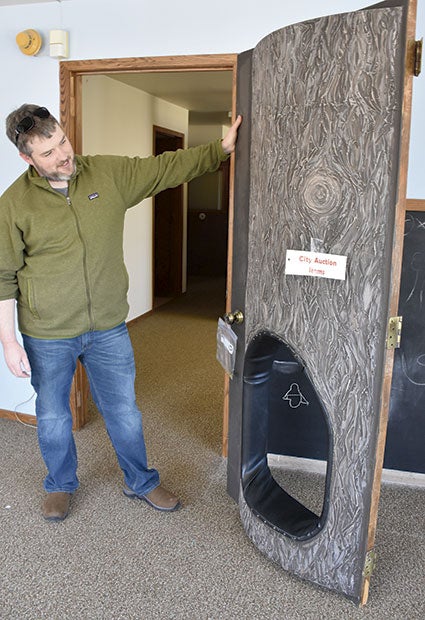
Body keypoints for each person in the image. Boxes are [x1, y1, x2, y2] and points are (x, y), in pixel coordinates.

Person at [0, 103, 242, 521]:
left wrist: (218, 149)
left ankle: (141, 481)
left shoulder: (107, 174)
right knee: (54, 415)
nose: (63, 155)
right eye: (48, 152)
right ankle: (60, 484)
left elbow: (166, 168)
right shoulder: (14, 204)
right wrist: (8, 341)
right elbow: (3, 276)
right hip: (47, 331)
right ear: (27, 158)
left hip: (108, 326)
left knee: (124, 411)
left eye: (62, 141)